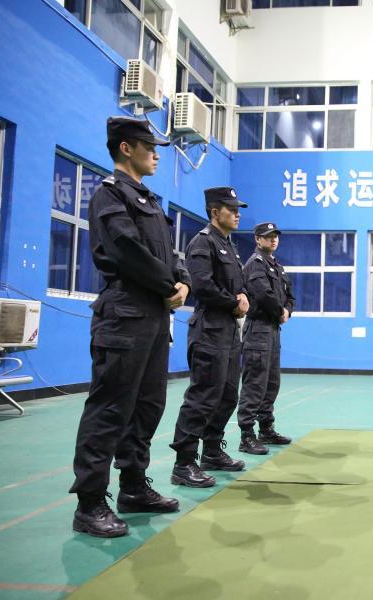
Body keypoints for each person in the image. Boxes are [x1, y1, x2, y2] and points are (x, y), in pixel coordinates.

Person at [70, 116, 190, 538]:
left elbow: (171, 254)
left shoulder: (150, 201)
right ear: (126, 148)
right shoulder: (109, 196)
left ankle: (134, 487)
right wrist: (166, 285)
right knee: (111, 407)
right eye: (148, 145)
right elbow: (126, 250)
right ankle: (89, 504)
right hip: (126, 311)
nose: (156, 153)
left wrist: (182, 282)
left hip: (155, 315)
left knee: (148, 405)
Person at [169, 187, 250, 487]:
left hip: (229, 332)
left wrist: (242, 296)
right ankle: (184, 463)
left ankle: (212, 452)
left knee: (228, 395)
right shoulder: (203, 243)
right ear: (215, 212)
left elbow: (237, 285)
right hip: (209, 331)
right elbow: (202, 286)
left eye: (238, 208)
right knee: (203, 397)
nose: (237, 213)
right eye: (231, 209)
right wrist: (234, 302)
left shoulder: (229, 246)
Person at [237, 222, 295, 455]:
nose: (273, 240)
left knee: (271, 382)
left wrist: (288, 310)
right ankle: (247, 435)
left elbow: (289, 295)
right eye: (268, 237)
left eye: (275, 237)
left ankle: (266, 428)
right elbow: (263, 294)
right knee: (255, 382)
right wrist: (280, 311)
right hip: (258, 328)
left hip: (273, 330)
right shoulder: (255, 264)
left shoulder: (278, 267)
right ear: (257, 239)